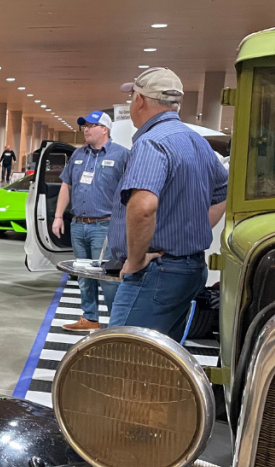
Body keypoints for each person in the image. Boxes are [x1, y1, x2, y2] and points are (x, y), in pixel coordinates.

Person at [108, 67, 228, 340]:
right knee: (160, 360)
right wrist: (188, 231)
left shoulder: (152, 143)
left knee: (121, 355)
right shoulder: (196, 142)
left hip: (156, 274)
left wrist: (136, 260)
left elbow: (143, 207)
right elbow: (223, 191)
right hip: (189, 269)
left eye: (132, 97)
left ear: (139, 100)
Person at [52, 110, 130, 332]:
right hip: (79, 224)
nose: (85, 129)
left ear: (104, 129)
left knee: (107, 277)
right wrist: (58, 216)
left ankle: (117, 324)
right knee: (83, 275)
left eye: (90, 126)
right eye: (84, 126)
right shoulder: (78, 155)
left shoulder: (122, 155)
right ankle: (90, 317)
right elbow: (66, 185)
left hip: (105, 225)